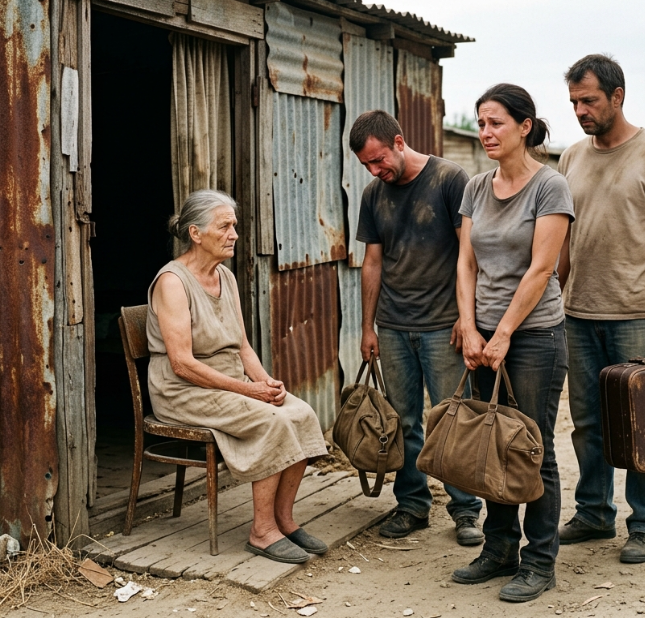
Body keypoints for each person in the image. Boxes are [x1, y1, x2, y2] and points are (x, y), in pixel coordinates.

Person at [147, 189, 330, 565]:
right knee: (271, 422)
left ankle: (284, 520)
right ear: (196, 233)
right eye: (224, 227)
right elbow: (182, 364)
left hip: (227, 382)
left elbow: (243, 346)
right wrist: (250, 392)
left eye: (234, 226)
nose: (234, 234)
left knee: (301, 414)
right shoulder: (173, 282)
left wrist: (267, 383)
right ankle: (262, 532)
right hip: (182, 390)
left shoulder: (225, 277)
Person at [556, 54, 645, 564]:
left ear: (617, 96)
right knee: (588, 423)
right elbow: (564, 240)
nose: (580, 111)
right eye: (574, 102)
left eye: (589, 100)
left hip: (636, 313)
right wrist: (553, 298)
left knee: (643, 423)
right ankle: (593, 512)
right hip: (578, 313)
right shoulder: (571, 158)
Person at [452, 83, 573, 603]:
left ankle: (540, 562)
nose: (485, 132)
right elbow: (466, 262)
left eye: (495, 122)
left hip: (535, 337)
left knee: (531, 446)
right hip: (483, 337)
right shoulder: (476, 187)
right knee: (490, 444)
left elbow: (542, 268)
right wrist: (470, 327)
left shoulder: (551, 187)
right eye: (481, 123)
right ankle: (500, 549)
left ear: (525, 127)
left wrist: (503, 333)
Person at [349, 110, 484, 546]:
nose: (375, 170)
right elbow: (372, 262)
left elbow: (469, 255)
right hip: (392, 327)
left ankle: (465, 509)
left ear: (399, 141)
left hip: (444, 326)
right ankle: (412, 505)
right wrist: (367, 327)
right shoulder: (373, 194)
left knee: (453, 419)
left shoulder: (449, 179)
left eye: (378, 160)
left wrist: (467, 318)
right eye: (366, 165)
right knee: (403, 422)